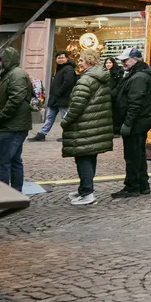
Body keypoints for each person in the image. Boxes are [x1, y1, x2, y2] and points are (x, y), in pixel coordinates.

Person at [60, 48, 115, 206]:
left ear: (90, 61)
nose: (79, 63)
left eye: (82, 60)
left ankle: (87, 193)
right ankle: (84, 188)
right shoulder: (100, 77)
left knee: (83, 159)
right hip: (95, 126)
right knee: (89, 158)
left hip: (84, 127)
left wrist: (65, 121)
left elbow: (77, 105)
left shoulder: (86, 79)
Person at [112, 48, 151, 199]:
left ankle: (133, 186)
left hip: (136, 123)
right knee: (138, 155)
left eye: (125, 60)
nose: (123, 63)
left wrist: (127, 124)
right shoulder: (137, 75)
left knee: (133, 156)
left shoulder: (138, 77)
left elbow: (135, 103)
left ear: (135, 60)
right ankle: (142, 185)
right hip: (139, 122)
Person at [0, 45, 34, 191]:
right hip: (13, 125)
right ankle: (15, 192)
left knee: (2, 161)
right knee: (13, 160)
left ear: (7, 60)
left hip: (12, 125)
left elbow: (15, 99)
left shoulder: (16, 75)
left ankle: (5, 195)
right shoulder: (8, 74)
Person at [31, 51, 76, 142]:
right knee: (49, 117)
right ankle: (42, 134)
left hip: (62, 98)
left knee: (65, 118)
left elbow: (68, 83)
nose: (60, 59)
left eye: (62, 57)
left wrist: (58, 93)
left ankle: (68, 135)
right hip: (55, 98)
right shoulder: (60, 69)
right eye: (58, 58)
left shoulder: (69, 69)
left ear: (67, 58)